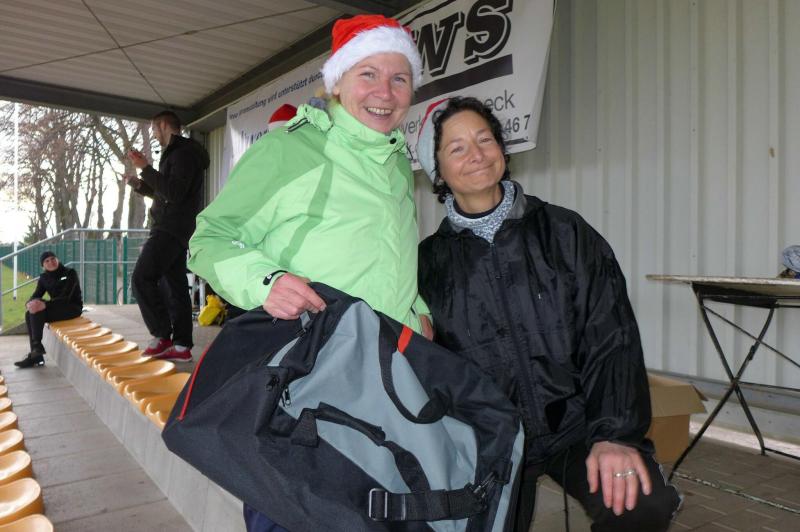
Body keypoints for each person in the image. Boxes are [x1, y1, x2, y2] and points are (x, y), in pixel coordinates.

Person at [188, 14, 432, 531]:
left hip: (383, 381)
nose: (385, 92)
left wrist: (419, 314)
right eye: (368, 74)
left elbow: (386, 257)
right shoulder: (292, 149)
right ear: (337, 82)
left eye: (400, 78)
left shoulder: (394, 162)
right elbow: (209, 238)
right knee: (293, 514)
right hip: (303, 382)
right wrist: (267, 282)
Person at [415, 97, 682, 532]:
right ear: (438, 171)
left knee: (641, 505)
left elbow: (611, 336)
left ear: (502, 150)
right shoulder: (428, 265)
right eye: (457, 148)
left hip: (577, 426)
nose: (476, 154)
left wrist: (614, 435)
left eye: (485, 139)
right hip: (491, 441)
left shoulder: (564, 232)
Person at [126, 110, 209, 362]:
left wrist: (146, 168)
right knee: (175, 287)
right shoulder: (178, 153)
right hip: (176, 226)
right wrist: (140, 184)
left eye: (153, 129)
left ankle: (162, 335)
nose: (153, 134)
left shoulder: (183, 153)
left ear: (163, 125)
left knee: (142, 278)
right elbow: (166, 193)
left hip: (170, 226)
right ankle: (182, 347)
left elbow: (174, 193)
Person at [15, 251, 83, 368]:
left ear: (57, 259)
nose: (51, 262)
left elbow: (67, 297)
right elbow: (36, 295)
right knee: (29, 313)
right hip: (56, 307)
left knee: (37, 311)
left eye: (53, 259)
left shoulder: (70, 272)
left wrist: (45, 304)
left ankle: (36, 353)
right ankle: (36, 350)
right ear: (43, 265)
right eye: (47, 261)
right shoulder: (44, 278)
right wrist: (29, 304)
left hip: (72, 307)